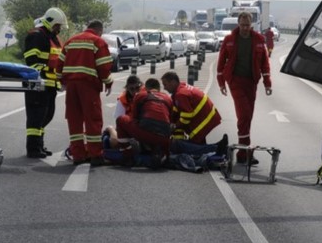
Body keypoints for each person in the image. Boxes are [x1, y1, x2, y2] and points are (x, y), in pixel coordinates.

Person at [113, 77, 227, 165]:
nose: (134, 91)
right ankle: (215, 148)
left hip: (142, 134)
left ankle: (128, 156)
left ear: (144, 87)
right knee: (178, 145)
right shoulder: (166, 97)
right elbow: (169, 120)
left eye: (136, 88)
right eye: (131, 89)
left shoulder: (140, 96)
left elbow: (134, 119)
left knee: (120, 122)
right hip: (160, 135)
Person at [216, 11, 273, 165]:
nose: (245, 28)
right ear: (238, 24)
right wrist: (221, 82)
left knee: (248, 117)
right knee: (244, 115)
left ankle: (244, 151)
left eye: (247, 25)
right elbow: (221, 62)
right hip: (235, 81)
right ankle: (244, 153)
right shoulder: (229, 40)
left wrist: (267, 83)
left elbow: (264, 63)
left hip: (251, 82)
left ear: (251, 24)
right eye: (242, 25)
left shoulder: (259, 40)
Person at [59, 19, 114, 166]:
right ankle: (95, 155)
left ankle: (78, 155)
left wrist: (62, 81)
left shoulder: (71, 41)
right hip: (88, 86)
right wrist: (108, 82)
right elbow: (104, 67)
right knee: (93, 120)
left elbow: (59, 63)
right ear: (99, 31)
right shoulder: (98, 42)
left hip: (71, 87)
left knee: (74, 119)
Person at [23, 7, 66, 158]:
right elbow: (31, 63)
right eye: (57, 26)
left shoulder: (51, 37)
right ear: (50, 23)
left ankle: (39, 145)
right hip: (37, 84)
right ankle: (33, 148)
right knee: (36, 116)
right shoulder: (36, 36)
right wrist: (49, 71)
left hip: (49, 84)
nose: (59, 29)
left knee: (46, 115)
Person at [161, 71, 221, 145]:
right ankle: (219, 146)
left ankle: (217, 148)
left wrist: (175, 126)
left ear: (173, 82)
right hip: (208, 116)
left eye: (165, 84)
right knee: (198, 143)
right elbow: (177, 110)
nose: (164, 88)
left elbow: (187, 116)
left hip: (204, 120)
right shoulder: (181, 87)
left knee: (195, 146)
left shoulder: (180, 95)